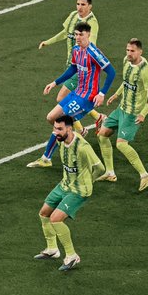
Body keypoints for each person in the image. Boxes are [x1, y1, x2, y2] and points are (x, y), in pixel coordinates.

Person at [28, 22, 115, 168]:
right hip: (77, 93)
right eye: (76, 34)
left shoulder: (94, 52)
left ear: (88, 34)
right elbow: (72, 69)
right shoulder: (76, 50)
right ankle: (75, 145)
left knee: (61, 123)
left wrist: (102, 93)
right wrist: (55, 83)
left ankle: (46, 158)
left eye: (81, 34)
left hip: (88, 97)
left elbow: (111, 72)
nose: (78, 37)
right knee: (51, 118)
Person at [34, 115, 104, 271]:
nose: (55, 132)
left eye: (59, 129)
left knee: (56, 219)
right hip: (64, 185)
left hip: (79, 190)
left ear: (69, 129)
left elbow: (100, 169)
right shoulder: (61, 140)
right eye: (54, 128)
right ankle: (52, 249)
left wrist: (89, 181)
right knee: (44, 213)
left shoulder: (82, 147)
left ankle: (72, 256)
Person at [34, 0, 103, 139]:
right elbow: (65, 33)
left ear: (90, 6)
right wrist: (48, 41)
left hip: (82, 68)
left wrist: (87, 60)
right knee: (70, 100)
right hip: (71, 64)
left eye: (83, 4)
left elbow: (93, 43)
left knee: (61, 99)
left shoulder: (93, 23)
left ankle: (81, 127)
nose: (79, 7)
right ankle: (96, 119)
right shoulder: (73, 16)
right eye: (78, 4)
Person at [97, 38, 148, 191]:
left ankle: (145, 175)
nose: (129, 53)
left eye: (132, 51)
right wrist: (117, 95)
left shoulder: (145, 71)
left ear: (140, 52)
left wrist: (143, 114)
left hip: (133, 114)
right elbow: (126, 81)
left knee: (121, 144)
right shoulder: (126, 61)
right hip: (122, 108)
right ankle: (110, 172)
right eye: (127, 50)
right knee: (102, 134)